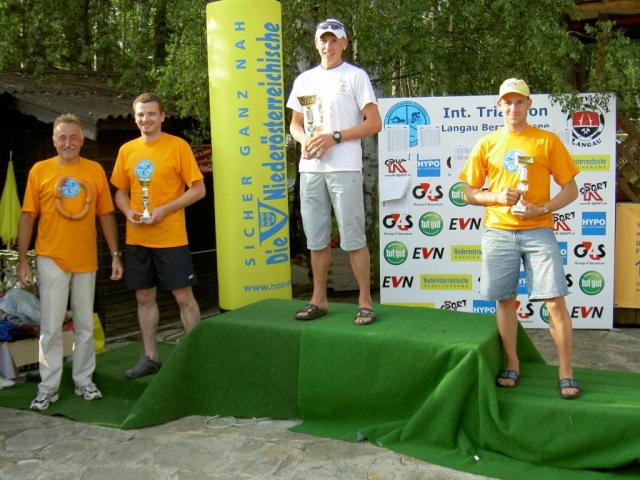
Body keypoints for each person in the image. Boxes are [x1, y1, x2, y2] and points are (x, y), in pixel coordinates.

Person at [459, 78, 581, 399]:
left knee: (554, 301)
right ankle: (512, 362)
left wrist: (542, 208)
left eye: (519, 102)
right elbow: (468, 193)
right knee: (505, 300)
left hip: (539, 230)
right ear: (499, 105)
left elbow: (571, 189)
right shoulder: (487, 143)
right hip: (498, 231)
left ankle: (565, 370)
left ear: (529, 104)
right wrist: (498, 197)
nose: (513, 108)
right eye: (507, 102)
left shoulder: (547, 141)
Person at [17, 113, 123, 411]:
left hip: (86, 260)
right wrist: (23, 260)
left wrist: (115, 255)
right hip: (51, 257)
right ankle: (47, 388)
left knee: (85, 325)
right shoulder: (40, 170)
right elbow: (28, 216)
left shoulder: (94, 170)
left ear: (82, 140)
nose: (68, 142)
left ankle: (83, 380)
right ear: (54, 141)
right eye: (62, 137)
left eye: (74, 137)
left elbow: (106, 215)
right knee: (51, 327)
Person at [286, 18, 382, 325]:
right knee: (316, 239)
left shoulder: (355, 76)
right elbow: (295, 124)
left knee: (353, 238)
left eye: (333, 40)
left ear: (344, 43)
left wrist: (335, 137)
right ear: (316, 44)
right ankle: (318, 300)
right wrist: (304, 140)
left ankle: (365, 301)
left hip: (345, 168)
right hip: (311, 169)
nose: (328, 46)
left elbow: (374, 123)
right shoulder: (304, 80)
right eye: (323, 40)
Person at [111, 93, 205, 378]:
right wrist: (127, 211)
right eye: (141, 114)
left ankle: (196, 358)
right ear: (135, 118)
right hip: (138, 238)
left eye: (151, 114)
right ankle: (150, 357)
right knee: (143, 297)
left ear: (162, 117)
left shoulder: (178, 146)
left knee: (183, 297)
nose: (146, 119)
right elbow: (120, 192)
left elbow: (198, 190)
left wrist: (165, 209)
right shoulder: (127, 150)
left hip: (171, 238)